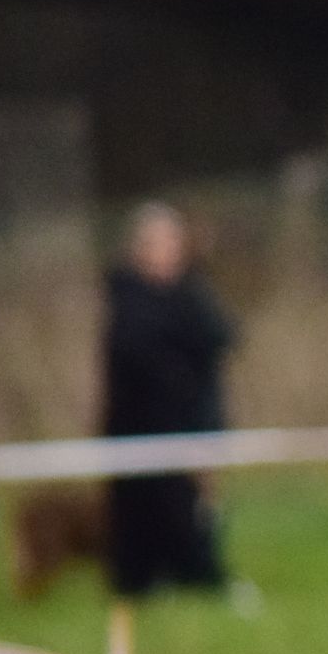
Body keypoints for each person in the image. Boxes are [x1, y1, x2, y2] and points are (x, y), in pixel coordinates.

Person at [100, 202, 237, 599]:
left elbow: (221, 338)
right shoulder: (128, 301)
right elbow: (139, 363)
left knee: (198, 508)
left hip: (193, 423)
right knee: (147, 507)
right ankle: (144, 579)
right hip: (143, 426)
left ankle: (198, 574)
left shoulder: (191, 295)